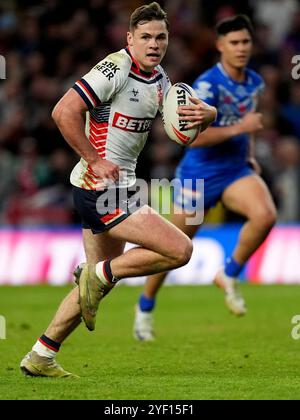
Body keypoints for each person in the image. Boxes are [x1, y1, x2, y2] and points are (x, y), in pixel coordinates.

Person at [20, 2, 216, 378]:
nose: (154, 43)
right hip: (100, 189)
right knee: (180, 249)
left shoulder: (160, 81)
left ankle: (41, 355)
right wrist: (94, 159)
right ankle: (102, 273)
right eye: (145, 37)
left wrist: (208, 116)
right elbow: (63, 111)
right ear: (130, 39)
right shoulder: (115, 69)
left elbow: (183, 132)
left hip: (117, 188)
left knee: (97, 284)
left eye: (160, 37)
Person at [134, 14, 277, 341]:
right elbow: (193, 138)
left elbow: (248, 120)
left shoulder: (254, 82)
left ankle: (228, 274)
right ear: (220, 46)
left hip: (235, 170)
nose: (241, 48)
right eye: (234, 43)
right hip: (197, 176)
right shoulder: (205, 87)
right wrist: (241, 129)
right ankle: (145, 306)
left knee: (265, 215)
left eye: (245, 42)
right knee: (170, 252)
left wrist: (250, 153)